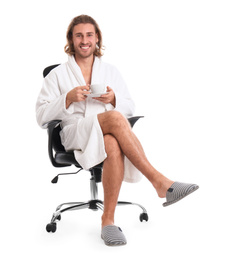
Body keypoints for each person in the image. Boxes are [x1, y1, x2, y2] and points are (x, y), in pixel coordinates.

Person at [36, 14, 199, 246]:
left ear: (97, 38)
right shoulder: (57, 75)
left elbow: (130, 107)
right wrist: (67, 98)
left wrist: (113, 99)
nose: (84, 40)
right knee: (113, 118)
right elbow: (41, 117)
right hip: (74, 133)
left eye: (89, 35)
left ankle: (108, 221)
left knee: (112, 141)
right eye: (79, 35)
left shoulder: (110, 71)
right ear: (71, 40)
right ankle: (159, 182)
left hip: (105, 132)